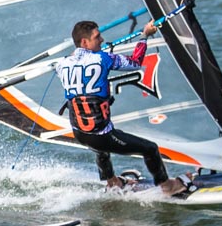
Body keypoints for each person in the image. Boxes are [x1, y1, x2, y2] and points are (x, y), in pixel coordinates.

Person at [54, 19, 188, 197]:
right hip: (101, 136)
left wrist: (85, 53)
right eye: (97, 37)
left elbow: (77, 66)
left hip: (79, 133)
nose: (102, 40)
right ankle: (167, 186)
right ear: (85, 42)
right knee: (150, 149)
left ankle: (112, 182)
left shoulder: (61, 64)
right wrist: (144, 36)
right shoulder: (104, 58)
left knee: (100, 148)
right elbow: (135, 62)